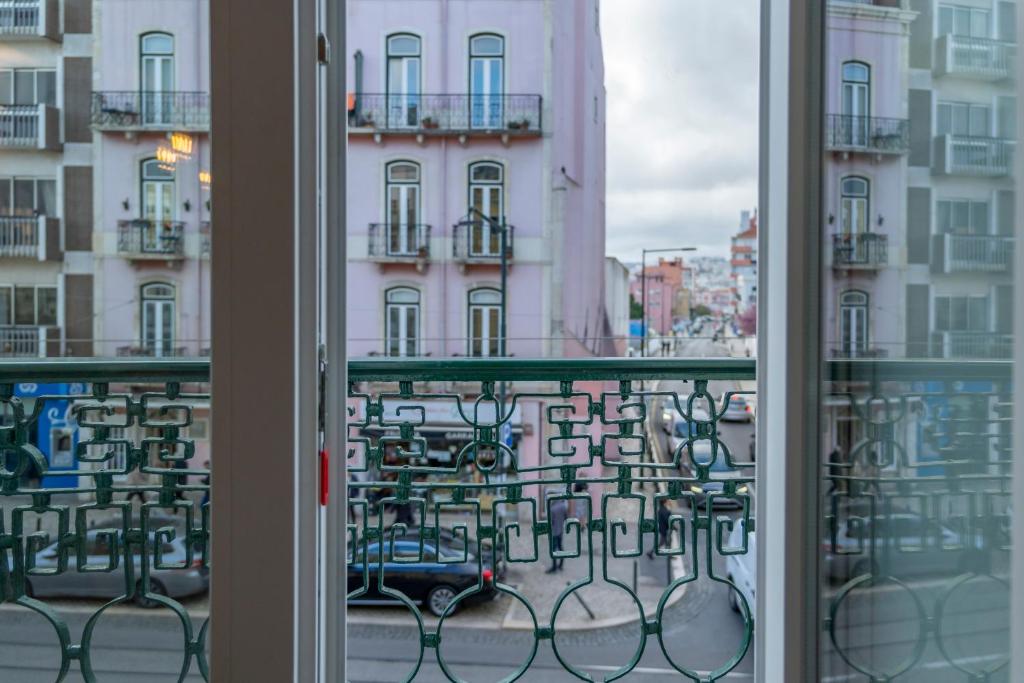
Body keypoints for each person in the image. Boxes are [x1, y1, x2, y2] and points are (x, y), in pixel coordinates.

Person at [546, 496, 568, 573]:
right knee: (560, 547)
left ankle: (554, 567)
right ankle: (561, 564)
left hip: (554, 531)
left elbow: (550, 522)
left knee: (553, 550)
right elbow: (566, 518)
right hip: (560, 530)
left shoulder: (552, 509)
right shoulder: (563, 506)